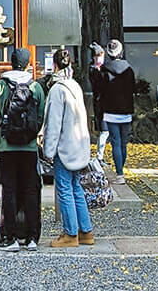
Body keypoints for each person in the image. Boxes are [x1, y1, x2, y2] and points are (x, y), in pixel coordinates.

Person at [0, 45, 46, 250]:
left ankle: (9, 237)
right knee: (31, 190)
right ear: (28, 64)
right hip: (29, 146)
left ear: (11, 63)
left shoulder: (0, 86)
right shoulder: (35, 87)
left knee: (9, 190)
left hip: (7, 146)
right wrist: (32, 135)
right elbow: (40, 116)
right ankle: (32, 237)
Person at [41, 47, 94, 248]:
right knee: (76, 187)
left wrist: (48, 151)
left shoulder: (57, 90)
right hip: (78, 144)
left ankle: (70, 233)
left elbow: (53, 124)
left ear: (54, 66)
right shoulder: (75, 86)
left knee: (64, 189)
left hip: (64, 147)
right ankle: (85, 231)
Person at [98, 38, 135, 179]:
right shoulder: (129, 70)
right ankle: (121, 170)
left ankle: (119, 173)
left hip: (110, 111)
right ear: (121, 52)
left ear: (109, 53)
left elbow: (100, 89)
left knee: (116, 142)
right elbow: (133, 88)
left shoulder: (104, 70)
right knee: (123, 143)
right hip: (126, 110)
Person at [88, 42, 109, 165]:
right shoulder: (94, 71)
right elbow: (99, 86)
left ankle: (101, 156)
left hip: (105, 104)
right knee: (104, 131)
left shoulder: (102, 69)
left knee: (105, 131)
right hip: (101, 105)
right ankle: (99, 157)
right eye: (99, 56)